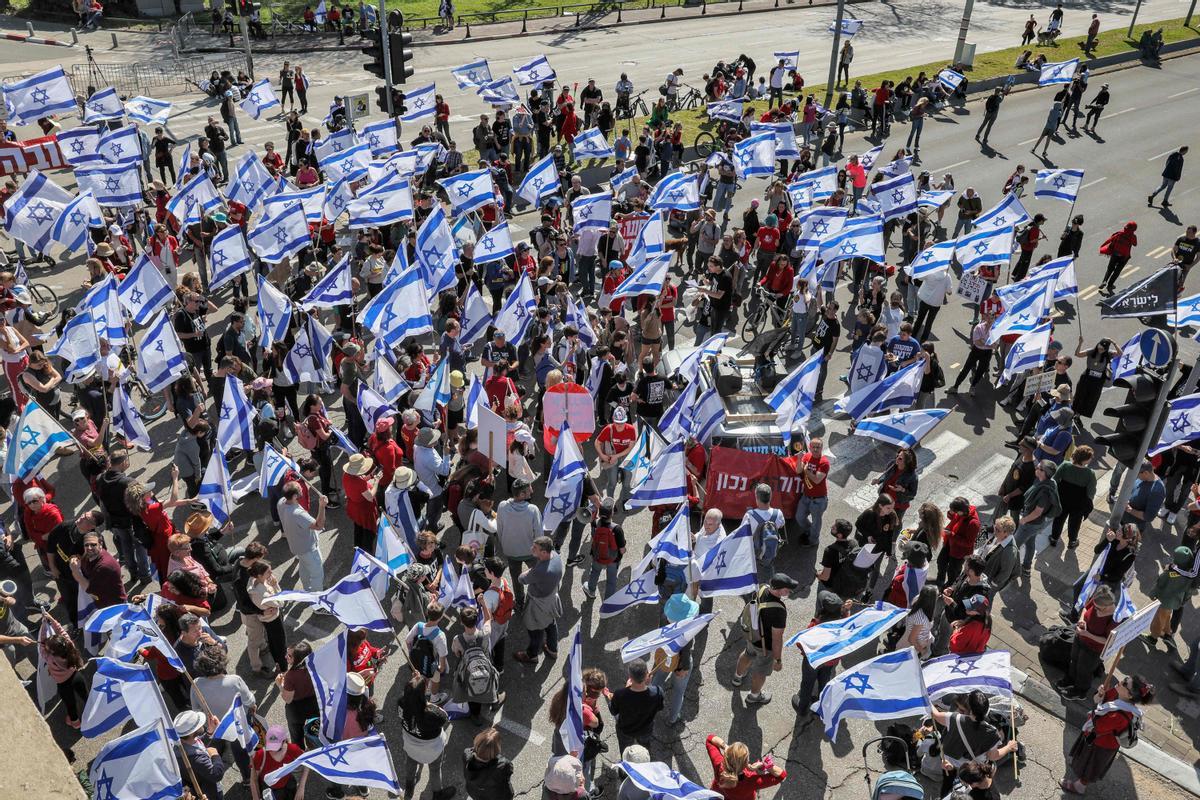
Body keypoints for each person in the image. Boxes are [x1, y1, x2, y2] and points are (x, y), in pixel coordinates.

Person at [1060, 675, 1155, 794]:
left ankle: (1080, 786)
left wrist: (1096, 705)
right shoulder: (1117, 693)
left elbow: (1098, 724)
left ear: (1130, 695)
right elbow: (1100, 700)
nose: (1120, 682)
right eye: (1125, 679)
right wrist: (1100, 694)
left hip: (1101, 745)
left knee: (1090, 765)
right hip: (1096, 738)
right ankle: (1079, 767)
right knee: (1085, 761)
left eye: (1125, 683)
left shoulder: (1121, 715)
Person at [932, 690, 1019, 797]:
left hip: (949, 763)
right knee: (971, 792)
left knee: (948, 783)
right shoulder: (992, 732)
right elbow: (993, 756)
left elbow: (935, 714)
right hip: (971, 769)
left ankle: (945, 796)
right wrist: (1009, 747)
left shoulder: (955, 718)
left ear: (970, 709)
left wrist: (925, 698)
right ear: (987, 710)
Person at [731, 573, 798, 706]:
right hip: (764, 646)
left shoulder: (762, 588)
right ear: (779, 590)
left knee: (747, 654)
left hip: (751, 635)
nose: (790, 591)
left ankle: (737, 678)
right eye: (787, 589)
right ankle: (754, 696)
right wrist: (777, 660)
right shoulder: (779, 610)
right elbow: (777, 639)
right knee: (760, 671)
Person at [399, 674, 456, 800]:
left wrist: (415, 683)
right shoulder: (432, 714)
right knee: (435, 770)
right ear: (422, 695)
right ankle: (437, 795)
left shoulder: (401, 703)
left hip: (410, 746)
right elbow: (445, 716)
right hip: (432, 750)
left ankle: (409, 789)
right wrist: (427, 702)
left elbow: (410, 696)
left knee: (411, 765)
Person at [1056, 585, 1119, 699]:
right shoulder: (1097, 601)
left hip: (1093, 649)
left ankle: (1080, 691)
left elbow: (1107, 640)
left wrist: (1087, 634)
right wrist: (1081, 621)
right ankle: (1070, 679)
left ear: (1107, 606)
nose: (1095, 609)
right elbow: (1085, 608)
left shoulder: (1115, 618)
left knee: (1084, 670)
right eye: (1094, 606)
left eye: (1098, 608)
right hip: (1080, 638)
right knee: (1074, 659)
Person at [1014, 460, 1060, 577]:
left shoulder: (1044, 492)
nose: (1036, 468)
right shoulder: (1049, 482)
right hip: (1036, 524)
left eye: (1039, 467)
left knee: (1013, 546)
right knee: (1030, 543)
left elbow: (1037, 512)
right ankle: (1026, 568)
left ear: (1044, 472)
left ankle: (1012, 571)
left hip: (1030, 523)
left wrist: (1024, 520)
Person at [608, 658, 664, 753]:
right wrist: (648, 685)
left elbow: (613, 711)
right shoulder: (658, 692)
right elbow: (660, 707)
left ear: (630, 676)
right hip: (645, 730)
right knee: (645, 747)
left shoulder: (620, 694)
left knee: (625, 751)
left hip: (625, 731)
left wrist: (626, 689)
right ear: (646, 674)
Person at [705, 735, 787, 800]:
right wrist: (764, 764)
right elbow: (781, 775)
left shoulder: (719, 764)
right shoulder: (751, 780)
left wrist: (726, 747)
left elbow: (710, 739)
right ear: (746, 763)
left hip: (717, 795)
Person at [176, 709, 227, 800]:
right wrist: (215, 756)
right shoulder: (196, 758)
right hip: (211, 793)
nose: (202, 724)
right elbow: (216, 774)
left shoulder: (182, 743)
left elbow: (198, 743)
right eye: (198, 724)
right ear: (192, 733)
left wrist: (210, 732)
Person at [1053, 446, 1097, 548]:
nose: (1091, 459)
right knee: (1075, 523)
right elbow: (1091, 493)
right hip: (1078, 504)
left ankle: (1054, 538)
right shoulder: (1090, 474)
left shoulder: (1065, 466)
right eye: (1090, 458)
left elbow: (1055, 479)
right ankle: (1072, 541)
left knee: (1058, 519)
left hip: (1062, 499)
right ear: (1085, 459)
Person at [250, 725, 307, 800]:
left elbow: (307, 761)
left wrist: (301, 787)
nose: (271, 751)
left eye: (275, 747)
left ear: (284, 742)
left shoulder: (292, 749)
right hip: (270, 790)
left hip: (288, 786)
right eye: (269, 746)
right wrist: (256, 798)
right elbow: (253, 779)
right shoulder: (260, 755)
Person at [793, 438, 830, 546]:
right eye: (813, 447)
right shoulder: (807, 456)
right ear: (809, 447)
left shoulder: (824, 463)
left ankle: (813, 540)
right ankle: (810, 531)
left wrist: (805, 469)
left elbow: (816, 480)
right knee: (799, 517)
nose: (815, 449)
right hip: (806, 496)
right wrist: (799, 459)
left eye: (818, 447)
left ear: (822, 448)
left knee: (816, 522)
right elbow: (798, 471)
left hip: (818, 500)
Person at [463, 727, 515, 800]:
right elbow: (507, 775)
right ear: (497, 749)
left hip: (474, 792)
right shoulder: (502, 765)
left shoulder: (466, 753)